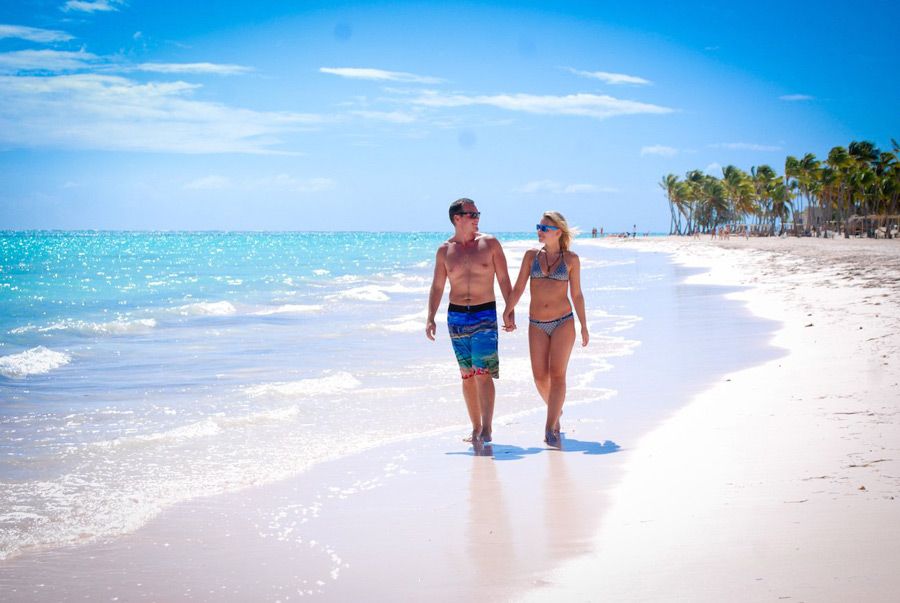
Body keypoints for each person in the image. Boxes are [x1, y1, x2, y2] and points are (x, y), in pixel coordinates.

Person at [426, 198, 513, 444]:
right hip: (456, 316)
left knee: (482, 372)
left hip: (484, 312)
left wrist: (510, 308)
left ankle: (487, 428)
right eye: (472, 214)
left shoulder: (490, 244)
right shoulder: (445, 250)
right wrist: (430, 317)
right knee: (466, 374)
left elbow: (504, 278)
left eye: (477, 213)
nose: (477, 217)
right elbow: (437, 286)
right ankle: (475, 428)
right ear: (457, 218)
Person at [503, 211, 588, 446]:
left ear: (558, 232)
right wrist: (508, 309)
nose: (539, 231)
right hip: (536, 324)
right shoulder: (531, 257)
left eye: (545, 228)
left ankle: (550, 426)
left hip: (563, 321)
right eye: (538, 227)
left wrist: (583, 325)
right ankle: (555, 410)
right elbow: (519, 287)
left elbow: (577, 294)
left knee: (557, 374)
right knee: (540, 377)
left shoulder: (571, 260)